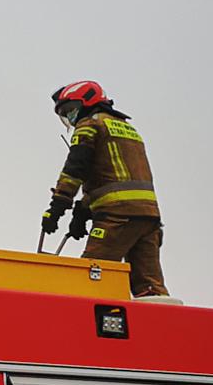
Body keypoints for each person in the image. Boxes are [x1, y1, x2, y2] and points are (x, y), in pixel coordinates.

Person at [41, 80, 170, 299]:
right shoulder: (128, 129)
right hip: (149, 218)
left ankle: (82, 330)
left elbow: (75, 169)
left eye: (71, 109)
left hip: (116, 218)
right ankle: (164, 328)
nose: (70, 117)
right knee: (151, 290)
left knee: (92, 275)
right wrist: (83, 210)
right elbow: (114, 177)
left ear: (87, 102)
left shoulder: (89, 126)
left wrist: (58, 207)